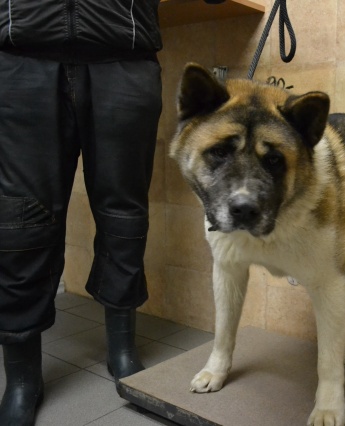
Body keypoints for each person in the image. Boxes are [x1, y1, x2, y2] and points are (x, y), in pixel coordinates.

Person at [0, 1, 163, 424]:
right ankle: (21, 378)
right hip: (20, 57)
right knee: (19, 222)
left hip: (125, 53)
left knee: (125, 215)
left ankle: (122, 349)